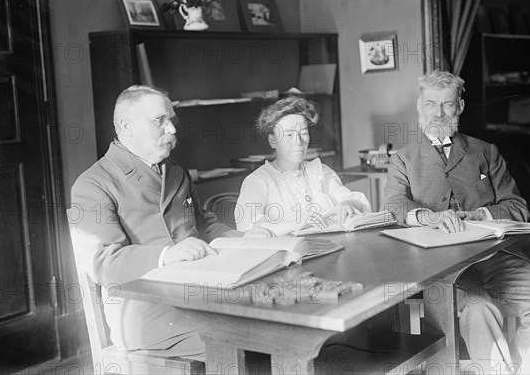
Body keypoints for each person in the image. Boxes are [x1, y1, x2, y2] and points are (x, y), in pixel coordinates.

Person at [382, 71, 530, 373]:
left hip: (497, 256)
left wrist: (482, 214)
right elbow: (392, 205)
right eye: (431, 104)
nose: (438, 113)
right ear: (419, 106)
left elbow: (517, 206)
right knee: (478, 309)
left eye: (447, 105)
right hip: (441, 266)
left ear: (461, 107)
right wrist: (427, 215)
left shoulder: (486, 152)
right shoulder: (403, 159)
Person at [69, 85, 261, 358]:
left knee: (274, 326)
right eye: (159, 120)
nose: (172, 129)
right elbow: (103, 263)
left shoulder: (176, 172)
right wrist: (167, 255)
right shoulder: (94, 184)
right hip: (145, 311)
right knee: (250, 342)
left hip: (197, 295)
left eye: (171, 120)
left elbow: (203, 225)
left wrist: (247, 240)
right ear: (126, 126)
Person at [236, 96, 371, 236]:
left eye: (304, 133)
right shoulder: (259, 181)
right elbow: (248, 226)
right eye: (289, 135)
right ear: (272, 140)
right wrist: (299, 223)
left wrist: (346, 205)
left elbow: (356, 200)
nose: (298, 141)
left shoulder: (320, 171)